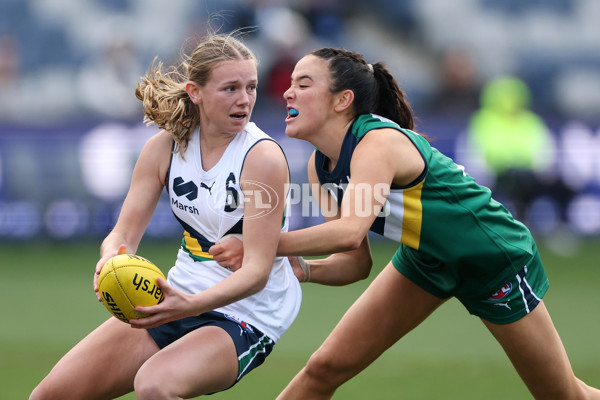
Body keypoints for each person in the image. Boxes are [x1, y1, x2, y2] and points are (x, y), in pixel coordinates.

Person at [210, 47, 600, 399]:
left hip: (492, 259)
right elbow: (355, 261)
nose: (288, 93)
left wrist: (262, 244)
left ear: (343, 100)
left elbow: (349, 230)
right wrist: (306, 270)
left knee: (564, 396)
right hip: (426, 260)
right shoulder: (319, 166)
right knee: (322, 370)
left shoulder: (376, 144)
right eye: (291, 84)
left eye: (304, 83)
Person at [30, 32, 301, 399]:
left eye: (251, 87)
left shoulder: (263, 158)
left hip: (248, 312)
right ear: (195, 92)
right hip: (177, 294)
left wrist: (187, 306)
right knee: (49, 395)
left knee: (155, 385)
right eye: (231, 88)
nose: (245, 100)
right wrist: (112, 257)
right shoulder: (164, 148)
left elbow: (256, 272)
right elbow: (122, 232)